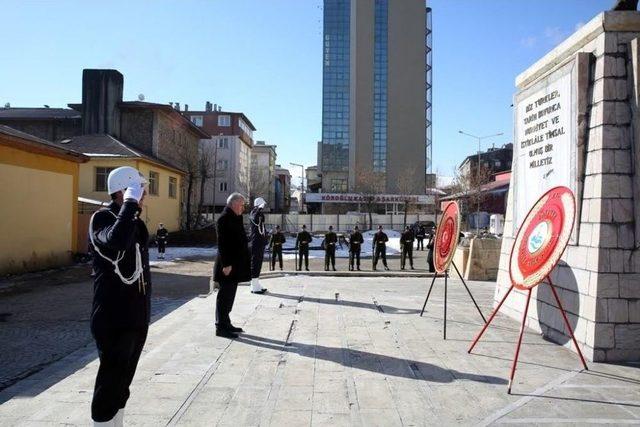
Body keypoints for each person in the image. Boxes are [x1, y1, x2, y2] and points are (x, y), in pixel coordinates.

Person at [89, 166, 151, 426]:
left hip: (136, 314)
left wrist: (130, 209)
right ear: (124, 191)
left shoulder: (133, 221)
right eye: (139, 188)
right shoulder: (102, 218)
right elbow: (115, 242)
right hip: (113, 316)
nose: (145, 193)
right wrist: (129, 205)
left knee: (123, 382)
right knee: (110, 382)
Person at [213, 193, 251, 338]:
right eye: (242, 205)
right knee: (224, 297)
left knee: (230, 297)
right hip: (227, 266)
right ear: (234, 203)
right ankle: (220, 327)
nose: (243, 207)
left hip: (234, 265)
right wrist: (226, 264)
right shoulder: (224, 218)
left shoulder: (235, 217)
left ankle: (226, 322)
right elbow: (222, 243)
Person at [248, 197, 268, 294]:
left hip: (259, 242)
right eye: (262, 205)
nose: (263, 206)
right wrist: (259, 210)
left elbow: (262, 227)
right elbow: (256, 220)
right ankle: (254, 285)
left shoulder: (257, 213)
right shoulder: (255, 213)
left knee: (258, 263)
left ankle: (256, 283)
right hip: (256, 242)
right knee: (255, 263)